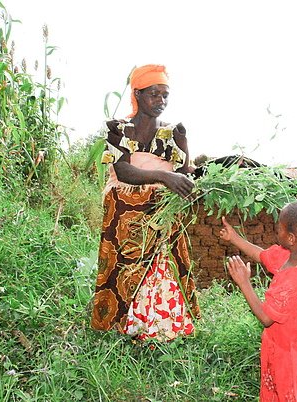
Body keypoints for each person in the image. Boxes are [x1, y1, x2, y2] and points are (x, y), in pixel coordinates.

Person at [90, 64, 199, 341]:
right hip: (125, 211)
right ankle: (125, 326)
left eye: (165, 95)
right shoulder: (119, 129)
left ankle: (163, 328)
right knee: (127, 266)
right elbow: (124, 171)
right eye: (154, 94)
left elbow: (185, 174)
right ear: (137, 94)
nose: (161, 101)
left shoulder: (172, 132)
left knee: (162, 265)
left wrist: (185, 145)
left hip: (162, 211)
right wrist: (163, 177)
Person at [219, 200, 297, 401]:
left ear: (291, 238)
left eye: (280, 227)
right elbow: (262, 255)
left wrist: (244, 283)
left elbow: (266, 318)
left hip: (296, 360)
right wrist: (234, 238)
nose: (276, 229)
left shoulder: (295, 280)